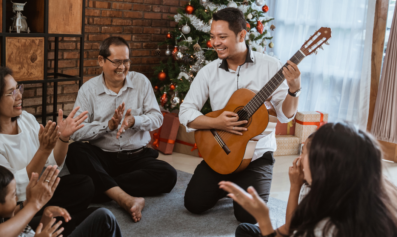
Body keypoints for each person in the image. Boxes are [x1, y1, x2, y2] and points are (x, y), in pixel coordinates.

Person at [179, 7, 301, 223]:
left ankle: (239, 187)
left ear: (242, 35)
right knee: (194, 204)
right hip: (220, 149)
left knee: (248, 218)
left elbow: (284, 115)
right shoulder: (208, 71)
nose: (215, 42)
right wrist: (216, 122)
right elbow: (186, 111)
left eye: (222, 37)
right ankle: (229, 187)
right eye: (213, 36)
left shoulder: (271, 66)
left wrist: (294, 90)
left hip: (256, 157)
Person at [66, 36, 177, 223]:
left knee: (168, 175)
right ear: (101, 60)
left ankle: (103, 186)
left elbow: (158, 118)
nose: (122, 67)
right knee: (76, 151)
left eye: (126, 61)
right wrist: (107, 126)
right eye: (116, 62)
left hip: (137, 157)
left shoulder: (141, 82)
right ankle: (124, 197)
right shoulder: (88, 90)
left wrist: (135, 121)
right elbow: (76, 131)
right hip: (103, 156)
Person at [220, 122, 397, 237]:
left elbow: (289, 230)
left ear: (321, 167)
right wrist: (295, 186)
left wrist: (264, 218)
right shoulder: (379, 196)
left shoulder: (325, 228)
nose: (299, 159)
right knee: (246, 229)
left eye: (304, 153)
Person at [0, 66, 94, 235]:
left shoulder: (26, 119)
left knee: (84, 185)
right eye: (10, 93)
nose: (19, 96)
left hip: (37, 193)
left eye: (18, 88)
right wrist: (43, 150)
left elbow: (54, 163)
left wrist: (63, 137)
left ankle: (49, 221)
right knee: (88, 213)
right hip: (12, 206)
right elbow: (14, 189)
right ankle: (45, 222)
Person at [0, 164, 122, 237]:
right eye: (13, 195)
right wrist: (34, 204)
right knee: (104, 217)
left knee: (92, 212)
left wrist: (43, 215)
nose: (17, 198)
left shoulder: (1, 220)